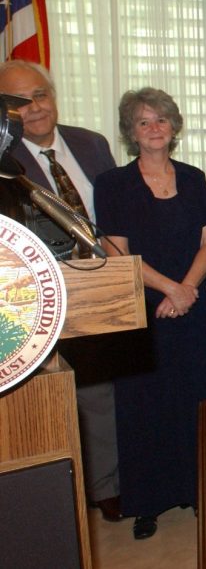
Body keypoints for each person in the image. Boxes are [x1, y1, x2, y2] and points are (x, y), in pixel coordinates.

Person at [0, 60, 122, 522]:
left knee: (112, 388)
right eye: (17, 103)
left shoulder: (92, 143)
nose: (33, 109)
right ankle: (100, 488)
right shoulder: (4, 161)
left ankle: (117, 479)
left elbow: (116, 209)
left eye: (40, 95)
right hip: (43, 294)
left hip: (107, 285)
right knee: (80, 391)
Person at [94, 88, 206, 540]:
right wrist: (171, 289)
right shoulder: (111, 184)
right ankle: (147, 502)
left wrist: (186, 290)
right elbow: (116, 253)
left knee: (193, 402)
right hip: (140, 311)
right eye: (144, 121)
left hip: (187, 308)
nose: (154, 128)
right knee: (143, 407)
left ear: (174, 126)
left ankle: (197, 489)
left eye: (162, 119)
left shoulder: (192, 177)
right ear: (131, 131)